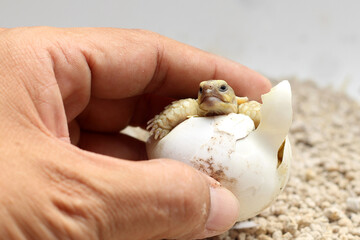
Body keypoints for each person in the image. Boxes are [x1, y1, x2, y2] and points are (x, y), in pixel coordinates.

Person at [0, 27, 271, 239]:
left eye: (222, 89)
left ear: (233, 95)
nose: (211, 92)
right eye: (202, 90)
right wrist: (163, 125)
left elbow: (266, 122)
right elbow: (177, 111)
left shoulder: (246, 110)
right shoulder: (191, 108)